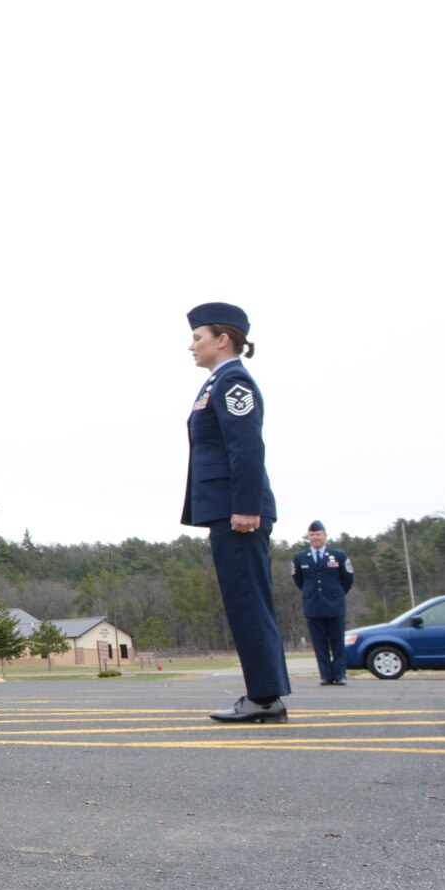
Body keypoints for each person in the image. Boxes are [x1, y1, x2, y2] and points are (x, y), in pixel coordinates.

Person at [182, 302, 289, 723]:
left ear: (222, 339)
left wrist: (245, 507)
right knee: (243, 601)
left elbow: (246, 447)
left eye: (197, 337)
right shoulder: (217, 383)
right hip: (226, 509)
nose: (191, 345)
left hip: (238, 512)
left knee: (248, 601)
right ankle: (264, 693)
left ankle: (264, 697)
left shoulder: (233, 382)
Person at [293, 519, 354, 685]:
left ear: (325, 535)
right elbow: (298, 580)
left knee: (337, 642)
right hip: (313, 605)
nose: (315, 537)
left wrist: (337, 594)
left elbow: (347, 579)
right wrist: (310, 594)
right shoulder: (300, 558)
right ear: (308, 537)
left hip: (335, 605)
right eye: (312, 534)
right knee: (319, 644)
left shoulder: (338, 556)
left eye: (318, 534)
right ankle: (326, 675)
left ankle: (340, 675)